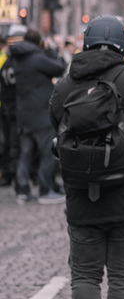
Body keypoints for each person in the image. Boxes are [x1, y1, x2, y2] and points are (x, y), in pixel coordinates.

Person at [49, 16, 124, 299]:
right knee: (123, 279)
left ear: (85, 42)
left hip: (83, 193)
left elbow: (55, 124)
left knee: (84, 277)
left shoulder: (65, 85)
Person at [11, 28, 65, 204]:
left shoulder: (17, 59)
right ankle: (45, 190)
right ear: (38, 42)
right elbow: (59, 68)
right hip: (41, 114)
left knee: (26, 152)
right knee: (46, 153)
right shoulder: (37, 58)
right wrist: (51, 50)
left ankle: (22, 190)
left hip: (24, 113)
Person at [0, 25, 26, 187]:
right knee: (17, 143)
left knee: (9, 143)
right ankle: (18, 176)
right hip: (16, 108)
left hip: (7, 107)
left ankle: (10, 173)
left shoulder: (6, 62)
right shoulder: (22, 63)